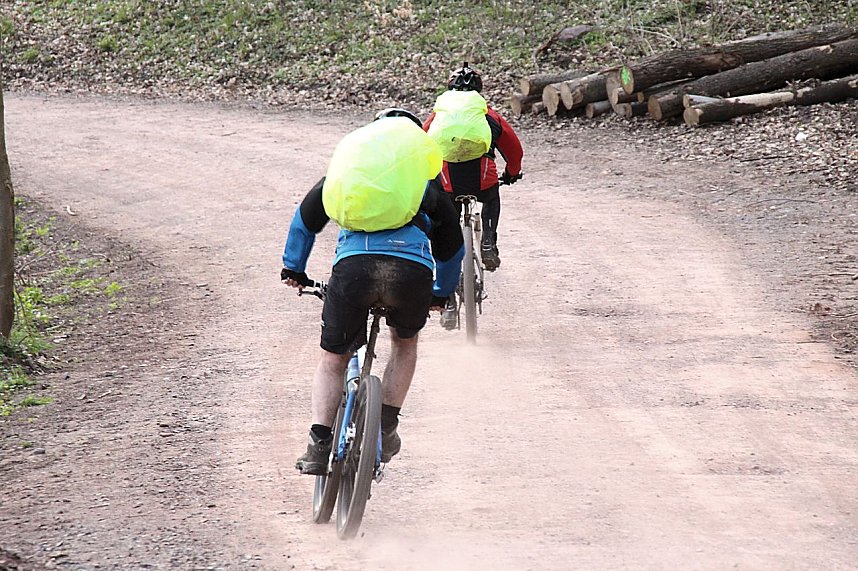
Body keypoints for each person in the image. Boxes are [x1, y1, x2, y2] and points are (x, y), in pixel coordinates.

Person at [281, 108, 464, 475]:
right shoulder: (423, 182)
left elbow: (305, 220)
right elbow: (452, 245)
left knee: (333, 360)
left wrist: (294, 269)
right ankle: (386, 425)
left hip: (354, 270)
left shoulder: (350, 174)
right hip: (410, 275)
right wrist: (441, 292)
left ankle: (319, 445)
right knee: (404, 343)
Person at [422, 62, 524, 274]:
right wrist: (511, 173)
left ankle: (448, 257)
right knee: (491, 197)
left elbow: (420, 143)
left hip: (448, 180)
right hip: (482, 179)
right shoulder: (488, 115)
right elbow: (514, 150)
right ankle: (488, 241)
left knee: (447, 212)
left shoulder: (438, 115)